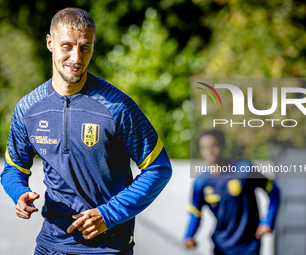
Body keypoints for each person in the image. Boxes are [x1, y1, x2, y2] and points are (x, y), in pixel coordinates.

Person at [1, 8, 172, 255]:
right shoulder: (28, 108)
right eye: (67, 46)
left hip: (108, 247)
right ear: (50, 43)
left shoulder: (118, 107)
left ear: (93, 45)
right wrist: (19, 193)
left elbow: (158, 168)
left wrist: (108, 214)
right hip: (51, 244)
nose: (76, 57)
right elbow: (13, 168)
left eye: (85, 47)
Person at [183, 129, 280, 255]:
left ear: (223, 146)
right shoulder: (201, 183)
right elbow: (195, 212)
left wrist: (267, 222)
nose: (210, 151)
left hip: (248, 246)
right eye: (205, 147)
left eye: (214, 146)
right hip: (221, 246)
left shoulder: (245, 169)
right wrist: (188, 236)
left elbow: (274, 192)